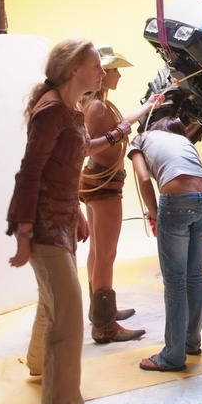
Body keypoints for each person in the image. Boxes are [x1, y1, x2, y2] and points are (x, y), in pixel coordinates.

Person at [6, 39, 162, 404]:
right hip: (44, 226)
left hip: (60, 220)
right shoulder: (52, 111)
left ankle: (39, 366)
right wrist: (23, 231)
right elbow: (30, 173)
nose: (103, 72)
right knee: (69, 320)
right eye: (96, 65)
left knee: (52, 303)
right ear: (74, 68)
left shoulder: (71, 109)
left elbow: (71, 160)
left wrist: (75, 212)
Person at [129, 116, 202, 372]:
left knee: (175, 280)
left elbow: (144, 179)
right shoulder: (183, 141)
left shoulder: (140, 139)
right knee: (195, 274)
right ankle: (191, 342)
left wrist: (154, 214)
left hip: (177, 202)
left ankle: (173, 356)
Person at [80, 45, 144, 344]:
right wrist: (118, 134)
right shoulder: (97, 107)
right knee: (106, 253)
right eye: (115, 69)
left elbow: (120, 125)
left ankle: (101, 310)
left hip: (99, 184)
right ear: (103, 74)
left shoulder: (98, 105)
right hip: (104, 187)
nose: (119, 74)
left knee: (99, 250)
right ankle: (104, 325)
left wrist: (146, 107)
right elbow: (92, 147)